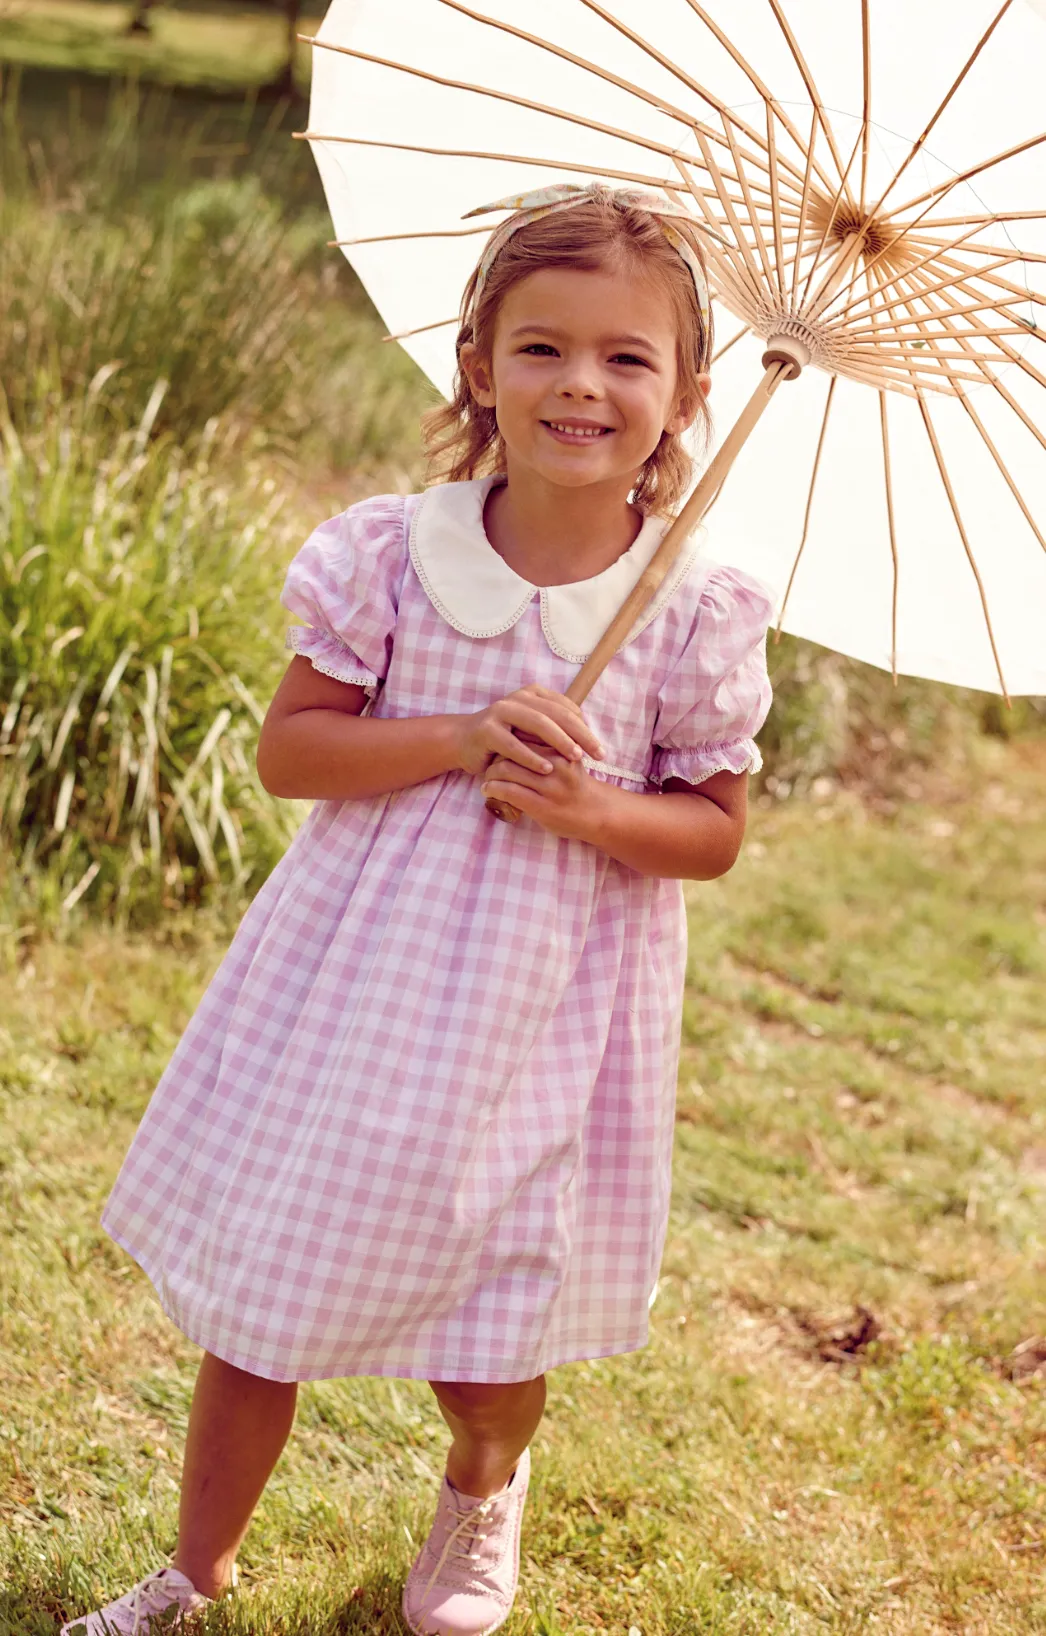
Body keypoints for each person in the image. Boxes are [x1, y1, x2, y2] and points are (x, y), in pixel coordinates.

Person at [63, 184, 773, 1636]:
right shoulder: (392, 551)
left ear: (685, 394)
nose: (583, 384)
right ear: (478, 363)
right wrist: (455, 739)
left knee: (497, 1287)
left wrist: (589, 808)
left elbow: (709, 835)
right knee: (270, 1284)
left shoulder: (692, 606)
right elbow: (291, 752)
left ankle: (477, 1498)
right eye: (543, 348)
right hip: (357, 980)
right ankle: (192, 1572)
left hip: (549, 1007)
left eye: (628, 359)